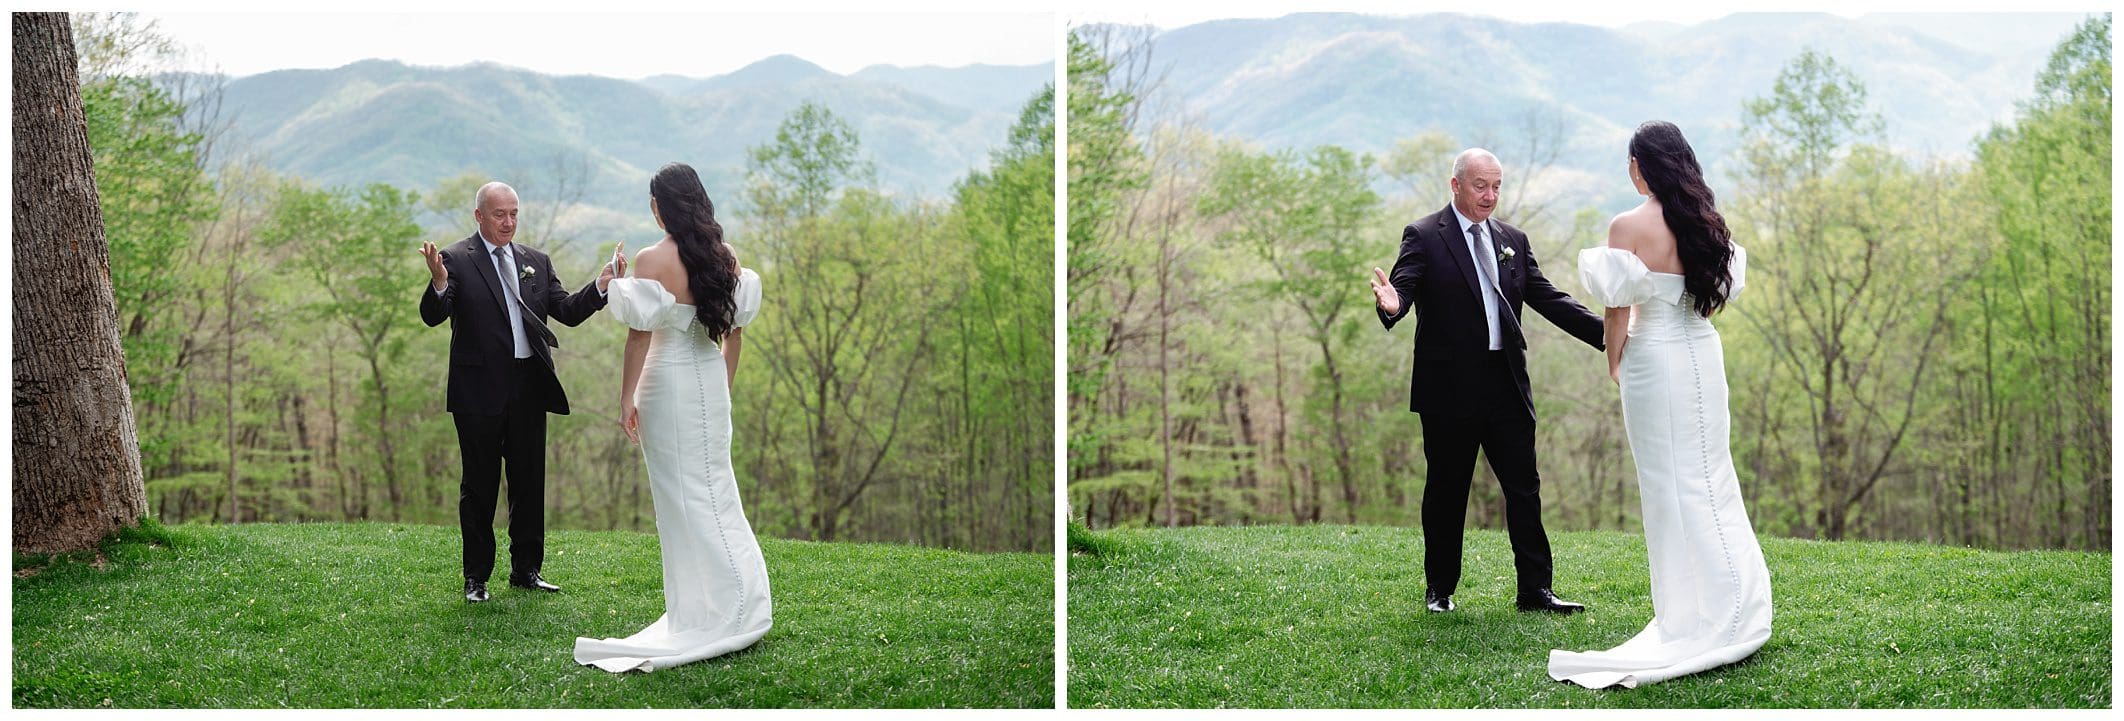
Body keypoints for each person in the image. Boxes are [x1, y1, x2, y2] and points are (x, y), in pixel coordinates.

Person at [1549, 120, 1772, 688]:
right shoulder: (1706, 221)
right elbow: (1710, 301)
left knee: (1668, 485)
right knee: (1710, 477)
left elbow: (1618, 309)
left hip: (1654, 356)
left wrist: (1614, 360)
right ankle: (1734, 604)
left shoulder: (1628, 224)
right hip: (1702, 351)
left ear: (1639, 166)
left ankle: (1691, 615)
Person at [1368, 148, 1605, 615]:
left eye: (1497, 186)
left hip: (1507, 386)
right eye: (1481, 186)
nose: (1490, 196)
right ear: (1455, 185)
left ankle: (1535, 592)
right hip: (1448, 391)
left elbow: (1546, 296)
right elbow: (1403, 290)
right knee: (1446, 490)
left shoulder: (1511, 238)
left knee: (1524, 487)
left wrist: (1608, 333)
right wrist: (1392, 306)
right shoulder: (1423, 235)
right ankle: (1440, 590)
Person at [574, 162, 772, 673]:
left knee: (681, 499)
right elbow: (735, 336)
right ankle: (736, 604)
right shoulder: (723, 257)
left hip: (665, 385)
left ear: (659, 207)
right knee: (715, 491)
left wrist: (626, 399)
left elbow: (639, 336)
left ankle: (704, 612)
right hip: (707, 380)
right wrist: (721, 390)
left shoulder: (650, 258)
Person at [418, 181, 619, 603]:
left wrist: (600, 286)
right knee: (480, 486)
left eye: (513, 214)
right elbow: (434, 315)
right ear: (479, 216)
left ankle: (527, 570)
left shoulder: (535, 261)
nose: (508, 222)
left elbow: (565, 310)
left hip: (530, 384)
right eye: (499, 214)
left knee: (529, 481)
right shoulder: (456, 258)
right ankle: (476, 578)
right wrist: (437, 283)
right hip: (478, 391)